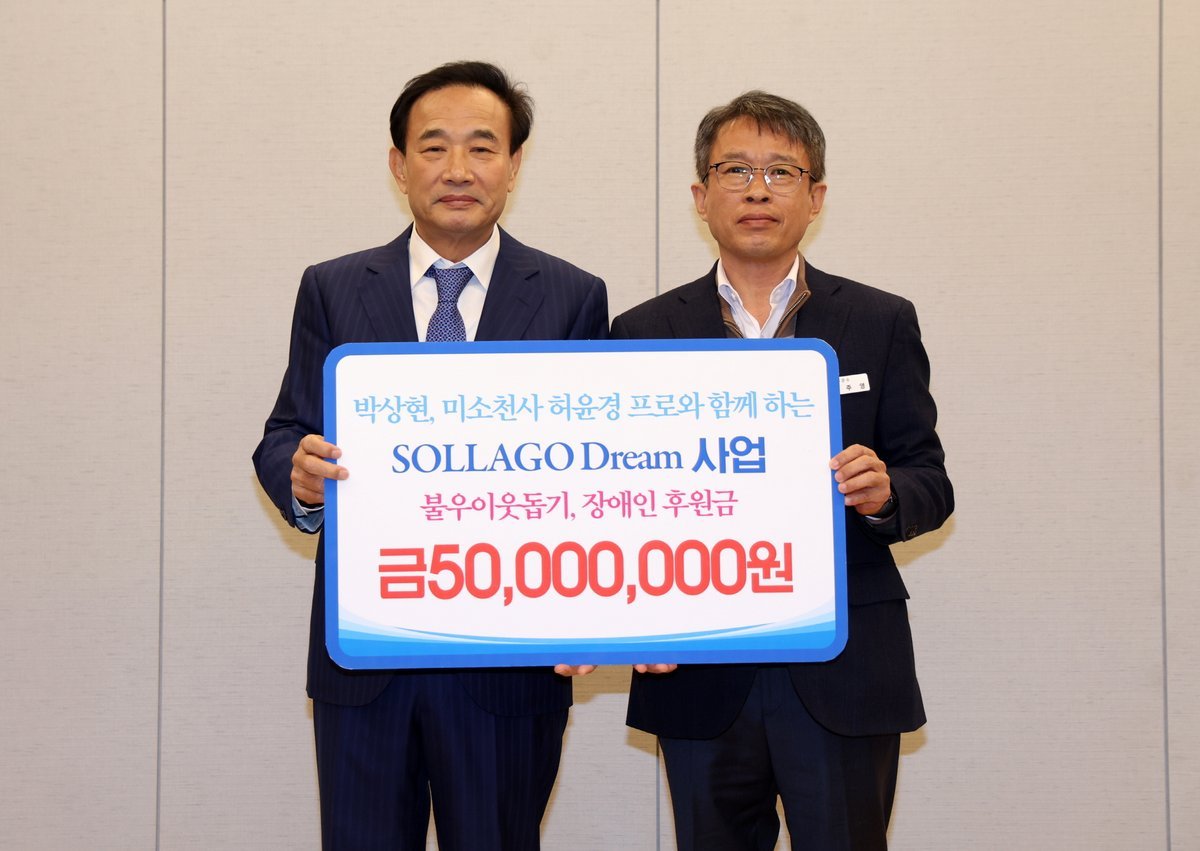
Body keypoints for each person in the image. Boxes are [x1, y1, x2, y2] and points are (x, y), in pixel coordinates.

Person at [252, 61, 607, 850]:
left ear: (514, 164)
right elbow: (284, 431)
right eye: (434, 146)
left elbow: (593, 472)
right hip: (367, 657)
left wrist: (591, 606)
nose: (457, 169)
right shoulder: (333, 287)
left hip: (510, 662)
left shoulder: (573, 295)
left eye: (482, 147)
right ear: (398, 162)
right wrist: (300, 478)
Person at [610, 91, 953, 850]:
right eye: (735, 170)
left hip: (844, 665)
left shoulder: (880, 320)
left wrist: (886, 492)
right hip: (698, 664)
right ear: (701, 196)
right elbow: (617, 498)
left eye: (781, 172)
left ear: (816, 196)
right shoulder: (641, 332)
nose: (757, 190)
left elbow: (930, 479)